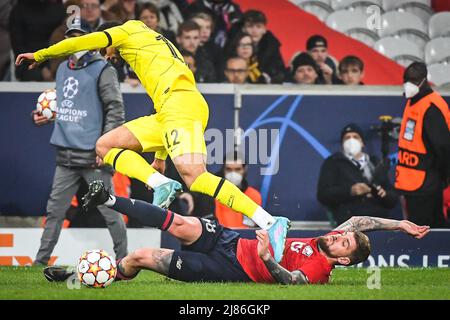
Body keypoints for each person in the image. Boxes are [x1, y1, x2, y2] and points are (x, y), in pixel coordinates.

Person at [16, 19, 290, 262]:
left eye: (105, 51)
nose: (107, 57)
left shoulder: (126, 30)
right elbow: (163, 113)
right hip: (171, 109)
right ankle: (160, 182)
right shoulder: (148, 39)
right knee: (105, 145)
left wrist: (42, 55)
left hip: (180, 105)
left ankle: (269, 221)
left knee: (196, 177)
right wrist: (159, 160)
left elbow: (89, 40)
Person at [44, 180, 429, 284]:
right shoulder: (324, 240)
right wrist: (400, 224)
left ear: (343, 259)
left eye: (342, 241)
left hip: (230, 269)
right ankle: (108, 199)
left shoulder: (320, 272)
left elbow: (291, 282)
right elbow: (361, 222)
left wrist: (267, 260)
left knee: (142, 258)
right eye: (341, 234)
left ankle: (82, 274)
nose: (337, 235)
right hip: (232, 240)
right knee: (180, 221)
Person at [30, 19, 128, 265]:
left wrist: (105, 147)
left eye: (79, 35)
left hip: (93, 156)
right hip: (66, 153)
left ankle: (125, 261)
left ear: (90, 39)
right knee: (54, 212)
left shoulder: (104, 69)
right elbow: (70, 106)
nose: (72, 40)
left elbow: (116, 110)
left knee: (110, 210)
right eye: (69, 35)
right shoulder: (62, 68)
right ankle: (40, 262)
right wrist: (46, 117)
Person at [395, 62, 450, 228]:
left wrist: (442, 178)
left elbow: (444, 148)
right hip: (411, 181)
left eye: (413, 80)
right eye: (406, 80)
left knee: (426, 230)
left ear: (424, 80)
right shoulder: (413, 100)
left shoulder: (431, 107)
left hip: (426, 183)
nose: (409, 84)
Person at [317, 123, 398, 226]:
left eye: (355, 137)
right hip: (349, 220)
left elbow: (393, 198)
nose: (351, 140)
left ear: (362, 142)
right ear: (342, 144)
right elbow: (323, 195)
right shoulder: (333, 162)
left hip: (378, 219)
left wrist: (384, 194)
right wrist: (350, 191)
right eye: (347, 138)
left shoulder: (375, 162)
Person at [9, 0, 65, 81]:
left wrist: (51, 68)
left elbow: (61, 41)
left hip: (55, 65)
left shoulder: (59, 9)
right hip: (28, 68)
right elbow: (18, 46)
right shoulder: (18, 10)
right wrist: (42, 70)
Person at [241, 10, 285, 84]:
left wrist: (267, 77)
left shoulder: (272, 46)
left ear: (264, 30)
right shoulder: (235, 46)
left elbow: (279, 71)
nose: (254, 31)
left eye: (258, 27)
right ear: (243, 29)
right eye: (250, 26)